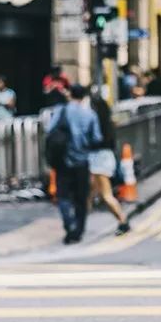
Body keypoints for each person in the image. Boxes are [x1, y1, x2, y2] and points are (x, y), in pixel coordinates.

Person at [47, 84, 102, 244]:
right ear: (84, 96)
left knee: (63, 195)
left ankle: (69, 224)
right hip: (82, 161)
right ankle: (78, 230)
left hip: (63, 161)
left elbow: (50, 131)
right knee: (81, 197)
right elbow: (97, 138)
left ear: (70, 94)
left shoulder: (61, 111)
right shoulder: (90, 114)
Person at [89, 94, 131, 236]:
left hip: (100, 160)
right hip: (103, 158)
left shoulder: (97, 124)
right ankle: (78, 225)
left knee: (106, 196)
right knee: (90, 193)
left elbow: (96, 141)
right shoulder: (107, 122)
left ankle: (123, 221)